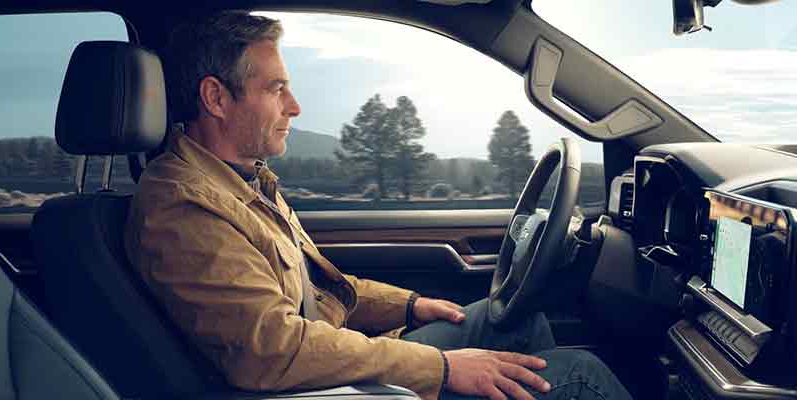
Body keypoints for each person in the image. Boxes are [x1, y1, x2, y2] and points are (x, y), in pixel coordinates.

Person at [124, 11, 633, 400]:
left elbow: (319, 285)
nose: (295, 107)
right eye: (277, 89)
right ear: (216, 98)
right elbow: (269, 349)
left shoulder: (244, 183)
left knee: (511, 323)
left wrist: (409, 305)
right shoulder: (183, 203)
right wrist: (445, 369)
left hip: (325, 369)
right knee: (580, 377)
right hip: (315, 392)